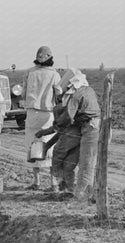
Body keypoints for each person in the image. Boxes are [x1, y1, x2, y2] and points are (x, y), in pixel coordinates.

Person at [35, 68, 100, 200]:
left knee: (86, 163)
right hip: (86, 126)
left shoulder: (75, 96)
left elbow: (65, 121)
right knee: (75, 162)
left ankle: (81, 195)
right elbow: (63, 130)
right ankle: (73, 190)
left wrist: (46, 132)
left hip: (91, 127)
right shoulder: (88, 90)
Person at [22, 46, 62, 191]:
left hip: (32, 114)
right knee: (50, 147)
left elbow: (23, 93)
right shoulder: (55, 75)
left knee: (33, 146)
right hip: (48, 115)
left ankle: (36, 182)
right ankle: (53, 183)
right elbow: (59, 95)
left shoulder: (29, 72)